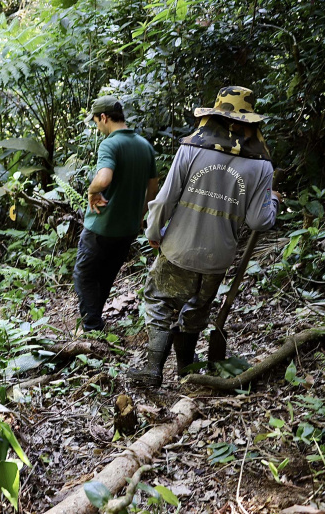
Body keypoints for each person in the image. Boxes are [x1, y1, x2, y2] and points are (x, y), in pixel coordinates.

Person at [128, 86, 281, 387]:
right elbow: (259, 220)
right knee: (197, 309)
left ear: (215, 116)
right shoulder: (261, 165)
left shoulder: (191, 149)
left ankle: (152, 371)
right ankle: (187, 370)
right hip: (218, 257)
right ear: (250, 123)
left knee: (160, 302)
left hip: (178, 248)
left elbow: (165, 199)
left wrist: (153, 231)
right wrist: (273, 199)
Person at [73, 95, 158, 333]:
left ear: (103, 117)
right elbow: (153, 189)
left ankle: (91, 326)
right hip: (127, 228)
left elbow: (104, 179)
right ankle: (94, 322)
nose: (97, 128)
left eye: (96, 122)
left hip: (102, 225)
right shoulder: (144, 145)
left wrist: (92, 191)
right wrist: (140, 215)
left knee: (84, 274)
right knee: (106, 275)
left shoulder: (110, 144)